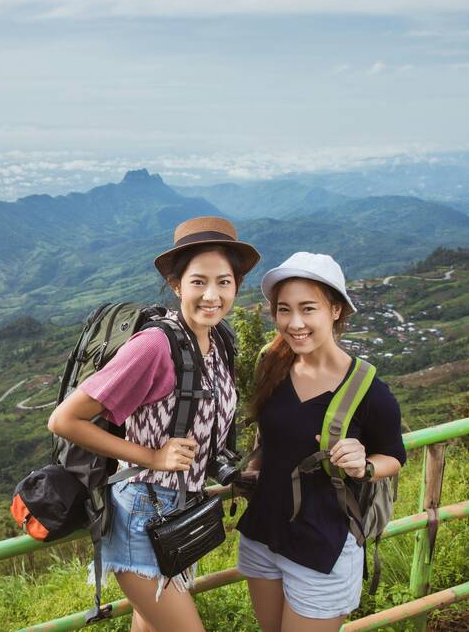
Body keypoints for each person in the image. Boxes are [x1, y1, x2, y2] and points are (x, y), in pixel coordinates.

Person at [48, 216, 260, 632]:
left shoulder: (219, 340)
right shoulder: (155, 346)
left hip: (178, 514)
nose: (212, 295)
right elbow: (64, 420)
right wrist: (151, 455)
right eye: (198, 282)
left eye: (224, 282)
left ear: (236, 285)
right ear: (177, 285)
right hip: (142, 517)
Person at [236, 252, 407, 632]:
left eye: (307, 308)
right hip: (263, 533)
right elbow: (273, 433)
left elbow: (394, 456)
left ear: (335, 310)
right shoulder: (272, 364)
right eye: (284, 310)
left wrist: (363, 464)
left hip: (322, 546)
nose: (294, 323)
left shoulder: (368, 391)